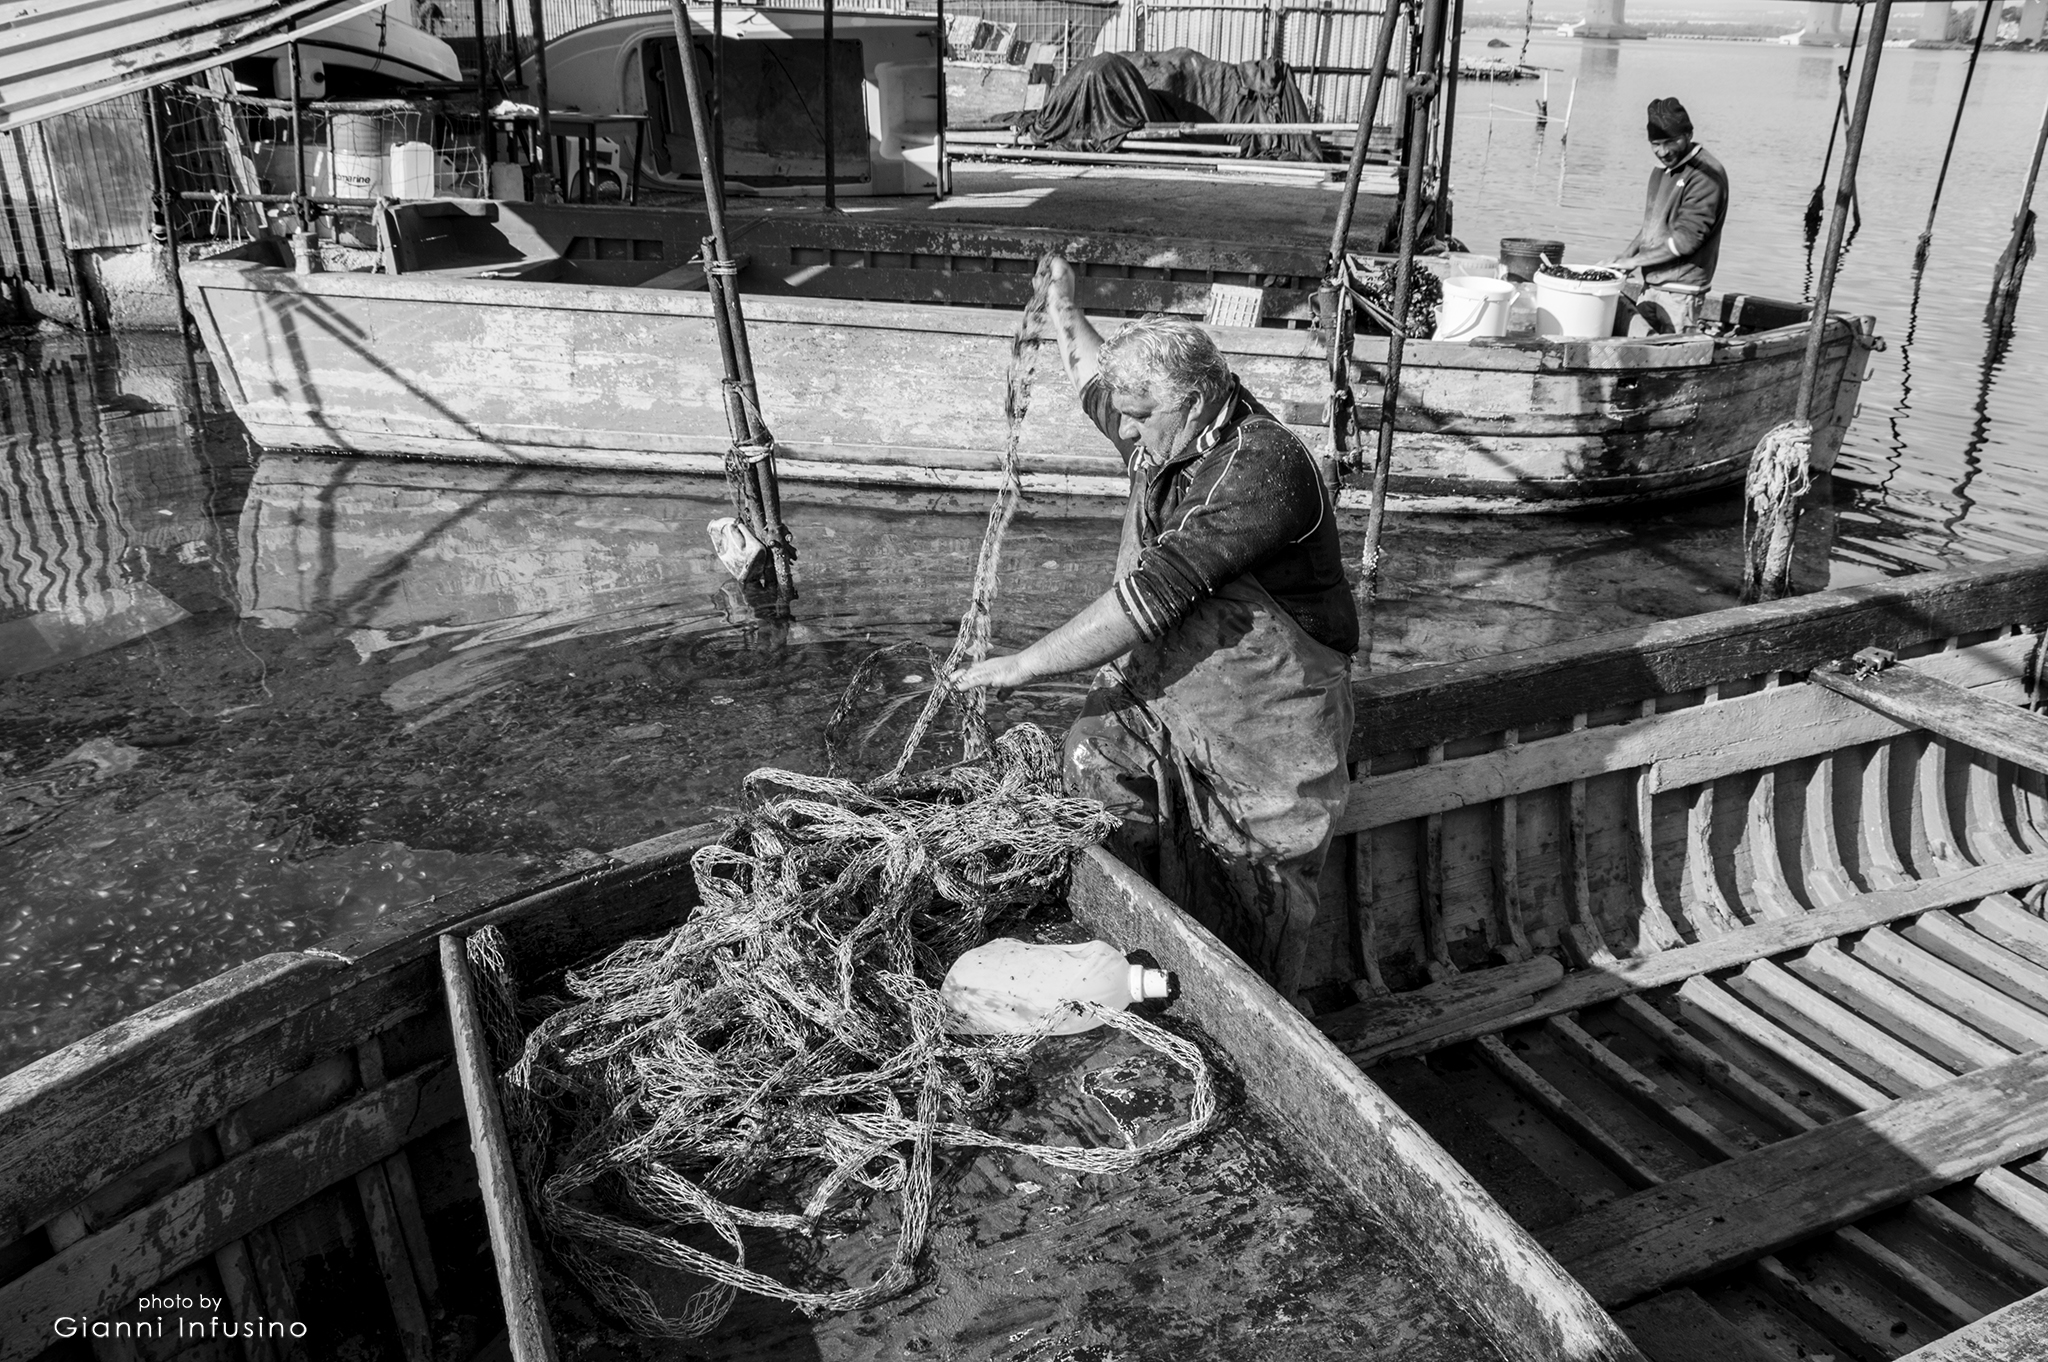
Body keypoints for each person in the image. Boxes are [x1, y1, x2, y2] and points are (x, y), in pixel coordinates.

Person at [950, 257, 1356, 1004]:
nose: (1126, 429)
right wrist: (1066, 307)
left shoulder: (1264, 470)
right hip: (1158, 699)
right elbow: (1088, 383)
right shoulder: (1162, 429)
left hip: (1264, 731)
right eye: (1123, 412)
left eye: (1140, 415)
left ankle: (1247, 1024)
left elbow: (1148, 599)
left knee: (1249, 893)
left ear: (1199, 399)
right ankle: (1128, 960)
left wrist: (1022, 665)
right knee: (1090, 768)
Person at [1600, 96, 1729, 335]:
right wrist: (1625, 257)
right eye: (1655, 143)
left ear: (1688, 135)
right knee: (1638, 350)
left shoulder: (1705, 176)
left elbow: (1686, 241)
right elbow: (1652, 226)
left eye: (1671, 141)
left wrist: (1634, 262)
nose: (1663, 151)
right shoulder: (1663, 171)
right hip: (1651, 285)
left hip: (1681, 293)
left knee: (1670, 356)